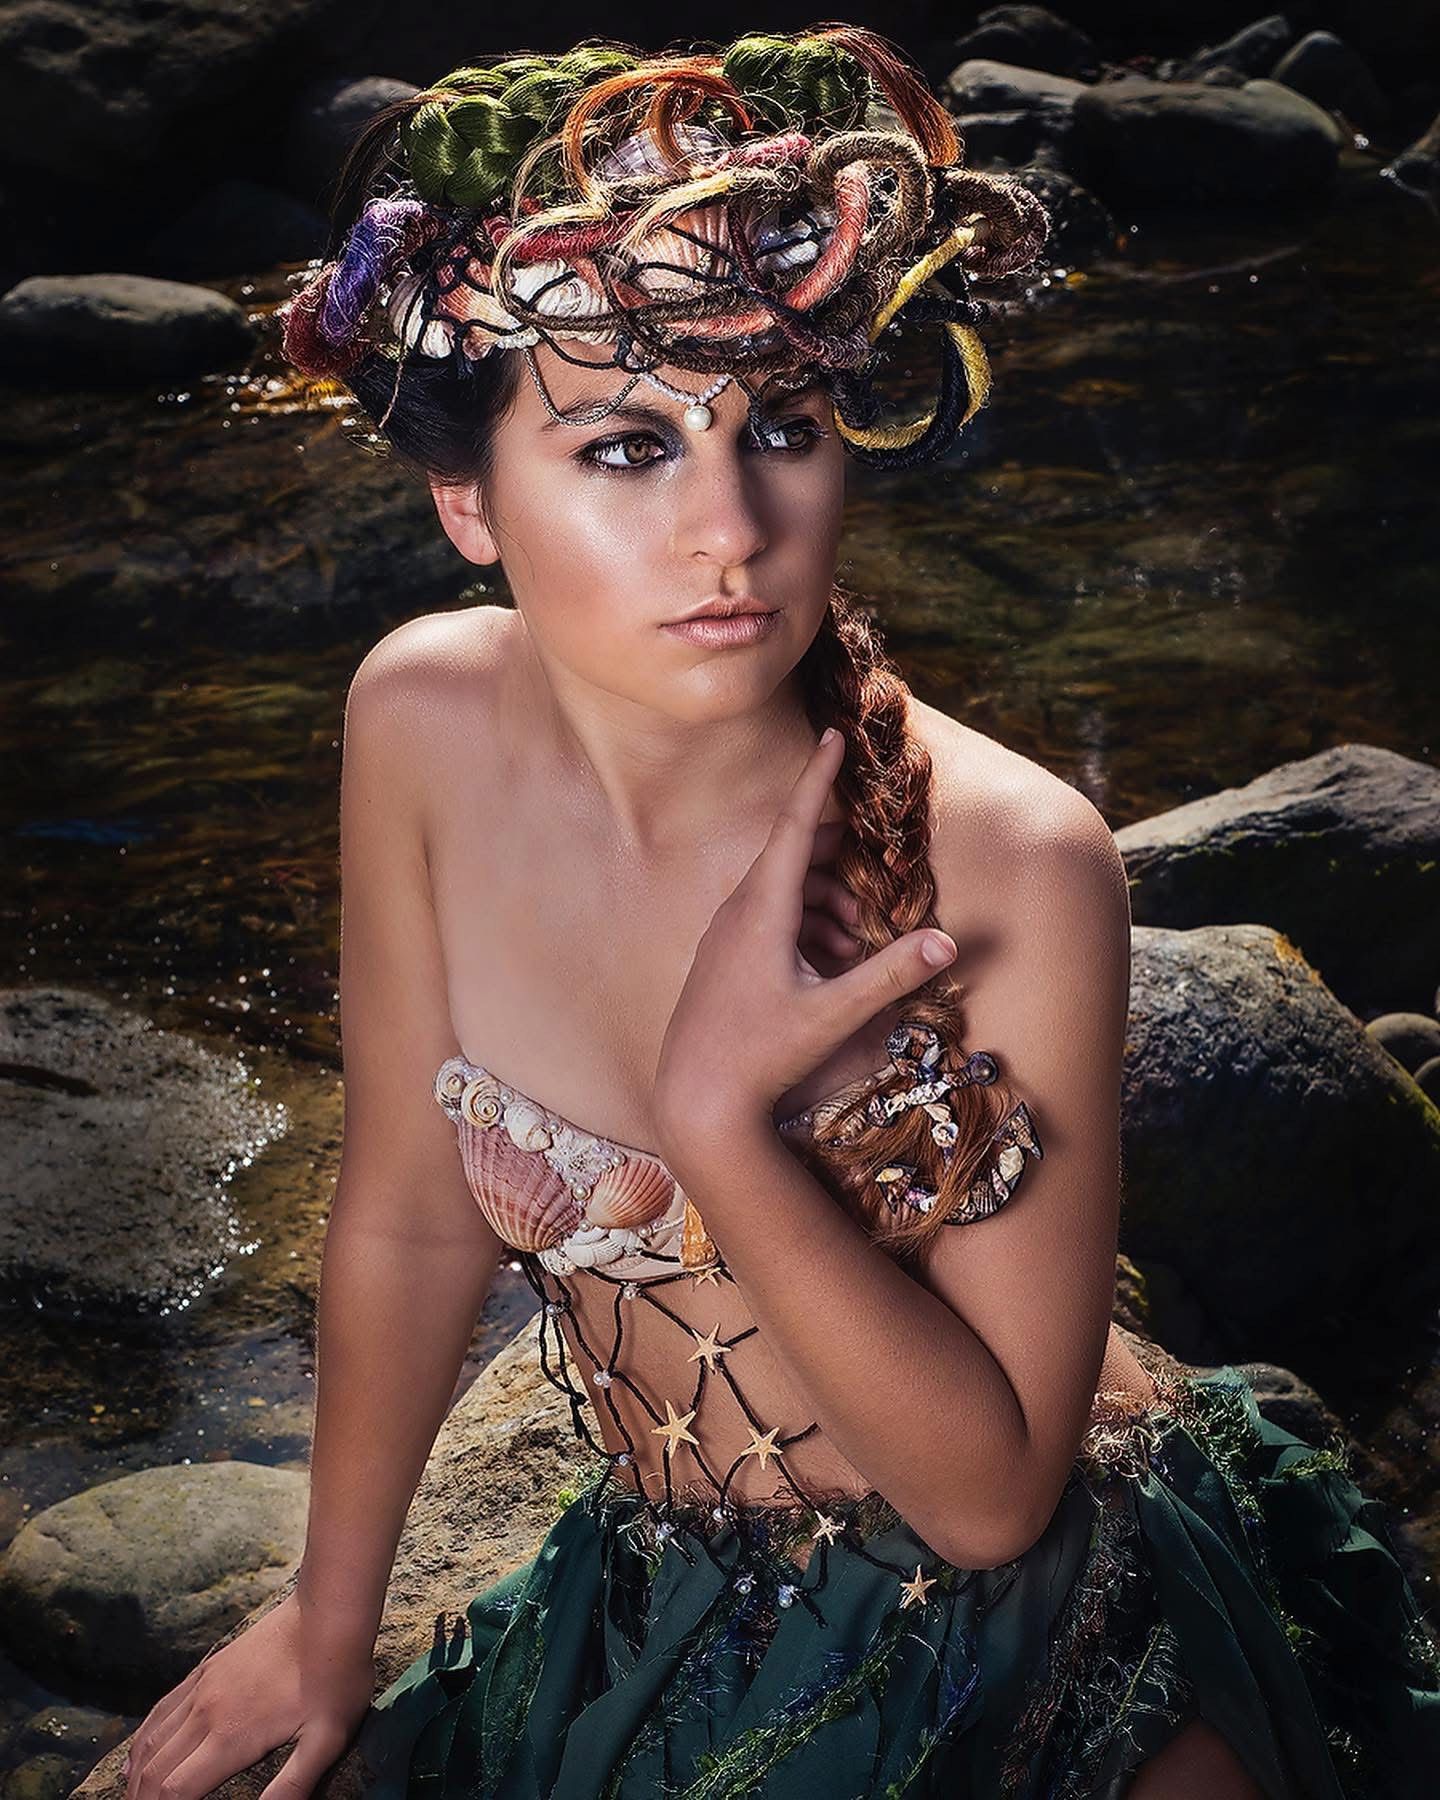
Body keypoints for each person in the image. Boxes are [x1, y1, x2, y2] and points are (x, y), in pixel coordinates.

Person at [121, 24, 1440, 1800]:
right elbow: (413, 1216)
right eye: (624, 448)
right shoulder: (419, 718)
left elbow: (992, 1502)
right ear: (466, 501)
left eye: (784, 430)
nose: (730, 530)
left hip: (1040, 1638)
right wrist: (328, 1616)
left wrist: (719, 1122)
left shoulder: (1014, 863)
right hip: (661, 1588)